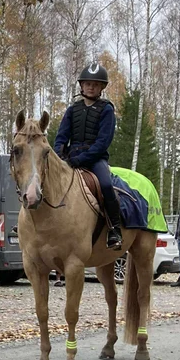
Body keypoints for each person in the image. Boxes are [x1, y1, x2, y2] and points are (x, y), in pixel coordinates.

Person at [53, 62, 124, 250]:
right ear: (81, 85)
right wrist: (60, 155)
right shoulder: (72, 110)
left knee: (107, 185)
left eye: (95, 84)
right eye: (87, 84)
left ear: (101, 87)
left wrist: (81, 159)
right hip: (70, 158)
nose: (90, 87)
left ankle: (114, 229)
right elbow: (61, 137)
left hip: (95, 159)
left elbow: (103, 142)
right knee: (44, 180)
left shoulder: (106, 109)